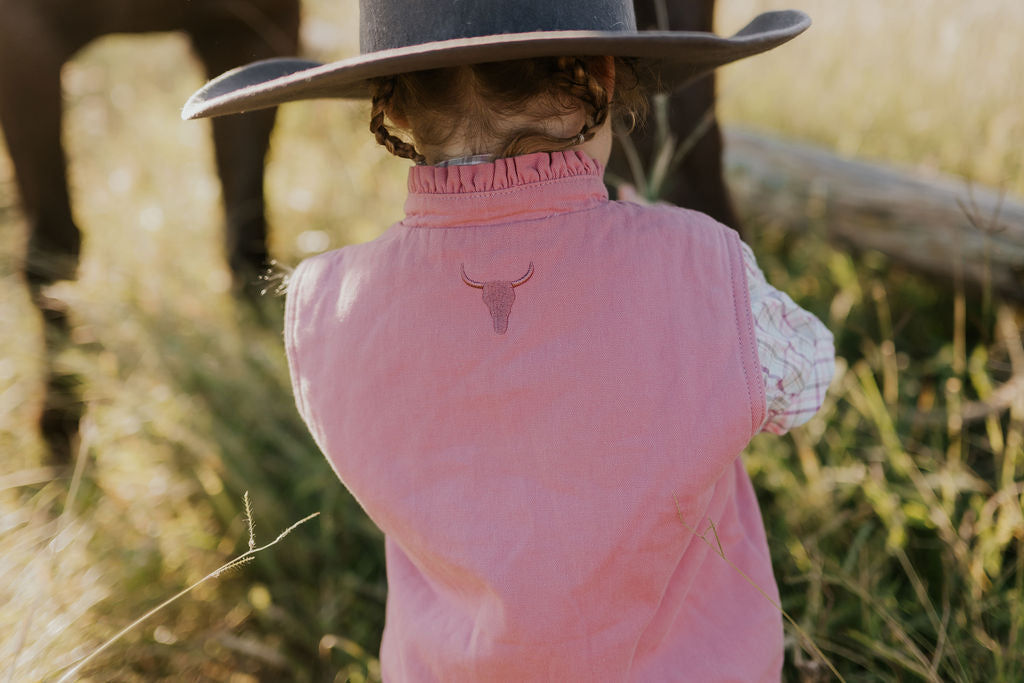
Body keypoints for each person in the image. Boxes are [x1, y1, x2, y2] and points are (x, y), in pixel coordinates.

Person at [184, 1, 833, 680]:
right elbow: (805, 382)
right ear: (607, 78)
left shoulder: (329, 304)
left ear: (395, 110)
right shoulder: (700, 262)